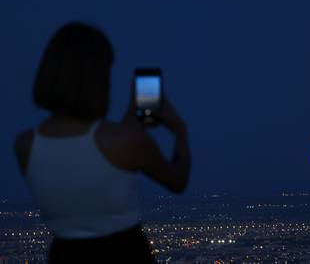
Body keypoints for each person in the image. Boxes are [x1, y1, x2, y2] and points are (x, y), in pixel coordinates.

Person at [13, 22, 191, 263]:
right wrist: (180, 130)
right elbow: (177, 180)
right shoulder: (126, 142)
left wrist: (130, 117)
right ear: (98, 79)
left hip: (65, 256)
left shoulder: (25, 146)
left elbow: (91, 155)